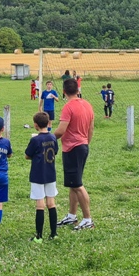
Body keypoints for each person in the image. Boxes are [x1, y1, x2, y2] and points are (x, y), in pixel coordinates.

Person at [54, 78, 95, 230]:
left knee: (77, 185)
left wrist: (46, 138)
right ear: (78, 90)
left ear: (64, 92)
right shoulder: (87, 105)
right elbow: (91, 128)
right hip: (82, 146)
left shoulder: (68, 107)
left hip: (73, 149)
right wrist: (85, 143)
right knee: (72, 183)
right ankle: (72, 216)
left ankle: (88, 219)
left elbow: (60, 130)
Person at [25, 112, 60, 242]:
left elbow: (27, 155)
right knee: (51, 203)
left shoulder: (35, 140)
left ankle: (39, 236)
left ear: (35, 125)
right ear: (48, 123)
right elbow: (55, 151)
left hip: (37, 174)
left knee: (40, 205)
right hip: (50, 173)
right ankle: (54, 234)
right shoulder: (53, 137)